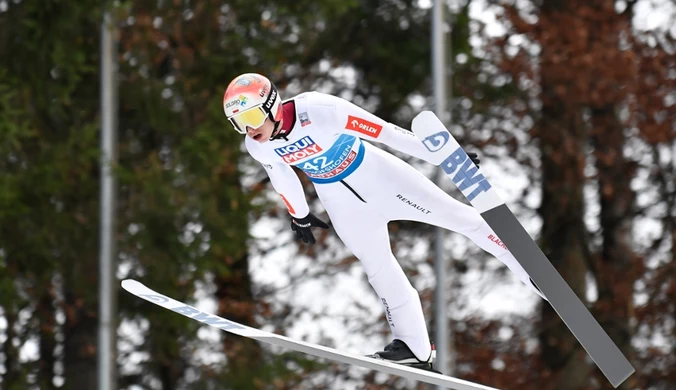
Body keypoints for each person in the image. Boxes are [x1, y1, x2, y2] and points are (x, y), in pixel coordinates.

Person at [223, 73, 546, 372]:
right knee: (377, 267)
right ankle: (414, 346)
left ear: (271, 105)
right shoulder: (258, 146)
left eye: (251, 117)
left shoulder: (321, 110)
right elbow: (281, 176)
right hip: (342, 203)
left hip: (383, 179)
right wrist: (299, 213)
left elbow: (386, 132)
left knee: (463, 220)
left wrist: (442, 156)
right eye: (239, 123)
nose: (249, 129)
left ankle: (530, 271)